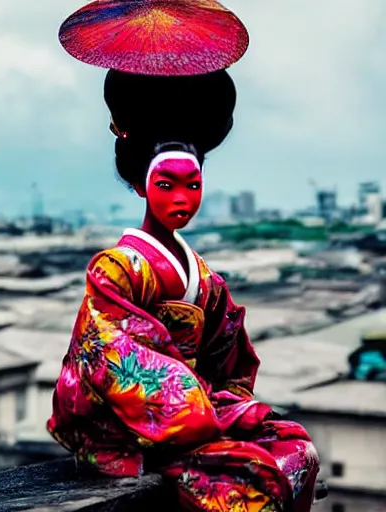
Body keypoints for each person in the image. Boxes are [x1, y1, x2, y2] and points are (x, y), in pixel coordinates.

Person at [47, 3, 320, 512]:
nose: (181, 199)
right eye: (165, 183)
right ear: (138, 183)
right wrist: (204, 413)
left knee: (294, 449)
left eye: (192, 184)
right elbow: (111, 357)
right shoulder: (118, 269)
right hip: (131, 427)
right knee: (251, 479)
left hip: (196, 416)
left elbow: (229, 358)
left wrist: (231, 406)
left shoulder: (204, 279)